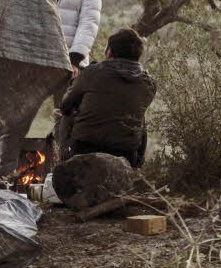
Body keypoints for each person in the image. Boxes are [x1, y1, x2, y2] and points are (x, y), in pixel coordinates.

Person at [59, 28, 156, 167]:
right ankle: (137, 168)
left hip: (84, 148)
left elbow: (65, 106)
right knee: (141, 119)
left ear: (109, 51)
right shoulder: (149, 83)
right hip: (126, 154)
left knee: (67, 115)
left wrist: (75, 85)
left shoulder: (92, 72)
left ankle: (65, 164)